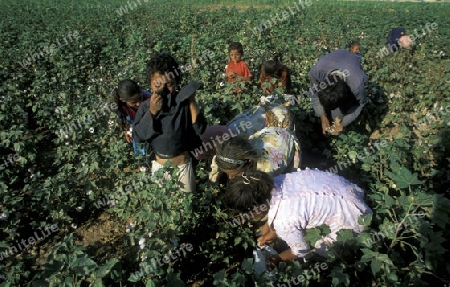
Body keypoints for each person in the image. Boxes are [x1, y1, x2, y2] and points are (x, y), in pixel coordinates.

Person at [224, 169, 372, 266]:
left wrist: (279, 258)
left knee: (322, 248)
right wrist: (270, 230)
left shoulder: (284, 221)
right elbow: (278, 206)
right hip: (349, 193)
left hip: (356, 218)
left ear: (257, 209)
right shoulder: (277, 181)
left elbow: (301, 250)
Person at [133, 53, 207, 193]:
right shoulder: (146, 107)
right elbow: (139, 135)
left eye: (169, 84)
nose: (163, 89)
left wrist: (191, 102)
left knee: (185, 207)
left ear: (176, 82)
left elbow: (200, 129)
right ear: (150, 84)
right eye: (157, 84)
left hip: (182, 166)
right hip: (159, 168)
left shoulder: (183, 104)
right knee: (161, 209)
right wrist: (153, 112)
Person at [308, 49, 369, 136]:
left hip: (351, 61)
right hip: (334, 59)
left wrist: (343, 124)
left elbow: (360, 104)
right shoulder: (316, 72)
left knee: (338, 115)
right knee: (325, 111)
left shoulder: (357, 86)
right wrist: (322, 116)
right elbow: (314, 94)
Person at [212, 129, 301, 182]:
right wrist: (215, 174)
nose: (230, 178)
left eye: (234, 174)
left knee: (287, 178)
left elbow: (265, 191)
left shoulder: (268, 169)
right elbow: (218, 159)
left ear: (249, 162)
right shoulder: (228, 153)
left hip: (284, 141)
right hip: (272, 133)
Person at [113, 79, 151, 155]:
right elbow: (126, 121)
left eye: (140, 98)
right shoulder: (121, 107)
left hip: (152, 131)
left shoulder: (149, 98)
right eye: (134, 102)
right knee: (142, 156)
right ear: (123, 100)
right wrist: (128, 131)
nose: (138, 104)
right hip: (138, 135)